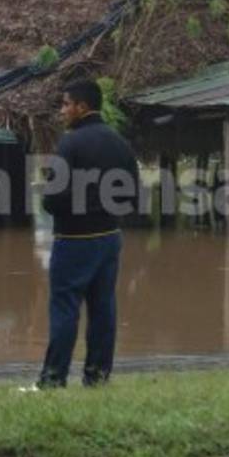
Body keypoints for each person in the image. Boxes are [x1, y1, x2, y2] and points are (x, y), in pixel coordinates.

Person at [31, 79, 139, 389]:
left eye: (66, 104)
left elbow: (52, 199)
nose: (62, 110)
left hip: (74, 240)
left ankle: (53, 379)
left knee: (65, 308)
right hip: (109, 237)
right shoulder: (120, 143)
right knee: (103, 308)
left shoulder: (71, 143)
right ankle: (97, 377)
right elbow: (132, 195)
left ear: (82, 107)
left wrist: (65, 206)